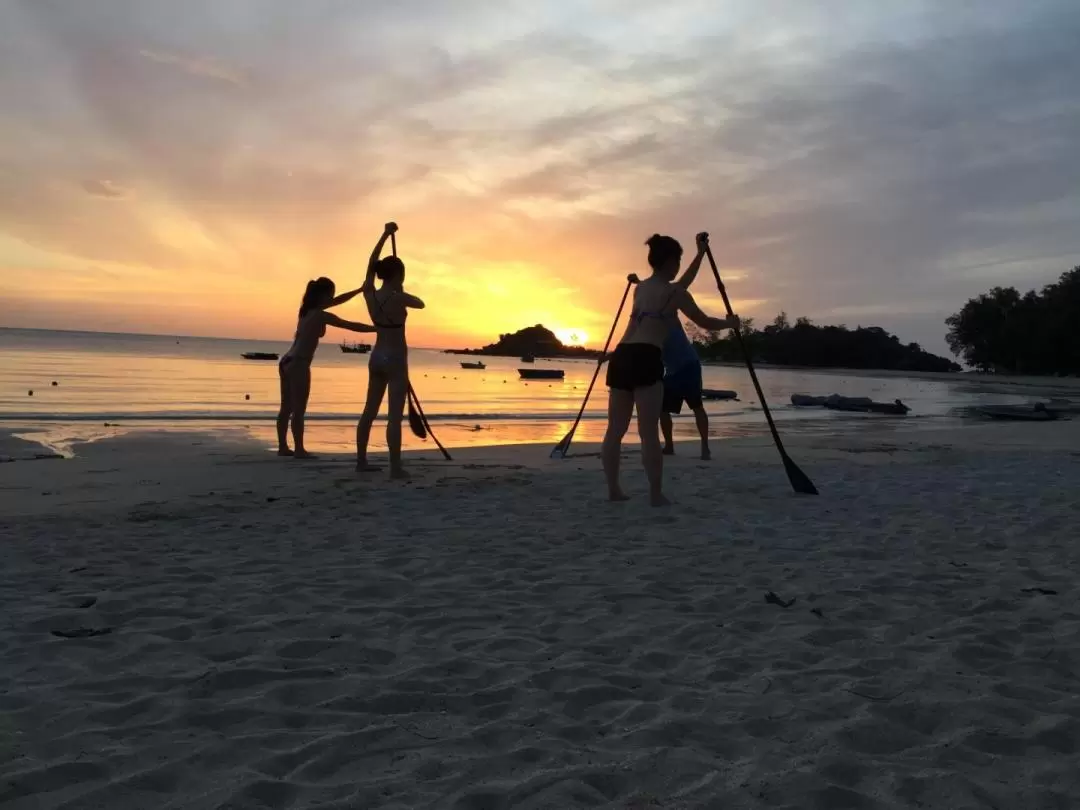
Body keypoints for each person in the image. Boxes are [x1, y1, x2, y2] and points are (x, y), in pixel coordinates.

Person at [602, 233, 739, 506]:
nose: (679, 265)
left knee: (614, 430)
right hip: (646, 356)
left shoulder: (640, 289)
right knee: (648, 432)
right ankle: (655, 495)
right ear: (670, 261)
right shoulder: (674, 293)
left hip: (622, 355)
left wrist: (700, 254)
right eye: (679, 259)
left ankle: (614, 491)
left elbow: (678, 285)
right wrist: (730, 324)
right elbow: (704, 321)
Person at [278, 277, 378, 458]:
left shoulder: (306, 311)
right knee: (298, 409)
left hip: (286, 361)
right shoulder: (320, 315)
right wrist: (377, 329)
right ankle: (299, 450)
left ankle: (283, 447)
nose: (332, 299)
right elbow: (349, 325)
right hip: (299, 363)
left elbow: (337, 301)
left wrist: (358, 290)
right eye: (330, 295)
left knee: (286, 408)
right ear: (323, 296)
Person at [355, 222, 425, 479]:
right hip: (395, 359)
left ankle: (361, 461)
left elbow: (371, 262)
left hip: (376, 358)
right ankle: (395, 467)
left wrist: (384, 235)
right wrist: (401, 292)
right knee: (393, 417)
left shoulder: (369, 294)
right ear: (400, 275)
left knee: (369, 411)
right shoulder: (400, 297)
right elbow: (422, 304)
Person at [659, 232, 713, 460]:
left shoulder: (669, 297)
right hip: (671, 371)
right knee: (662, 409)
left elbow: (686, 280)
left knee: (696, 405)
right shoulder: (646, 320)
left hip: (689, 365)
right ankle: (669, 445)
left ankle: (705, 446)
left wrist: (700, 253)